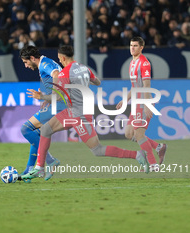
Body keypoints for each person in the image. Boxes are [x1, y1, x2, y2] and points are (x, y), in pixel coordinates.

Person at [22, 45, 150, 181]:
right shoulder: (84, 68)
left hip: (78, 115)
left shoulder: (65, 73)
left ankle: (137, 155)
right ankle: (39, 168)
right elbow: (97, 82)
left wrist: (41, 96)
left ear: (63, 58)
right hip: (73, 111)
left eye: (59, 59)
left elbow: (58, 97)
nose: (59, 62)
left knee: (97, 150)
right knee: (46, 130)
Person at [116, 36, 167, 172]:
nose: (132, 48)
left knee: (139, 134)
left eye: (135, 46)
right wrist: (125, 100)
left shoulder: (144, 63)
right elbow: (135, 86)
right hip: (136, 102)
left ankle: (153, 165)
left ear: (141, 48)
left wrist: (147, 104)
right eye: (131, 45)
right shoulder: (132, 63)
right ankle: (158, 147)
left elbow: (146, 85)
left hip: (143, 101)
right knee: (128, 133)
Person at [19, 45, 64, 179]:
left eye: (26, 62)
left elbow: (56, 74)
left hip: (60, 105)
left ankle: (50, 161)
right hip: (59, 104)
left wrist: (52, 96)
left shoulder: (44, 64)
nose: (26, 66)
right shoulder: (46, 62)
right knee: (37, 134)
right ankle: (29, 169)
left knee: (26, 129)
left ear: (32, 58)